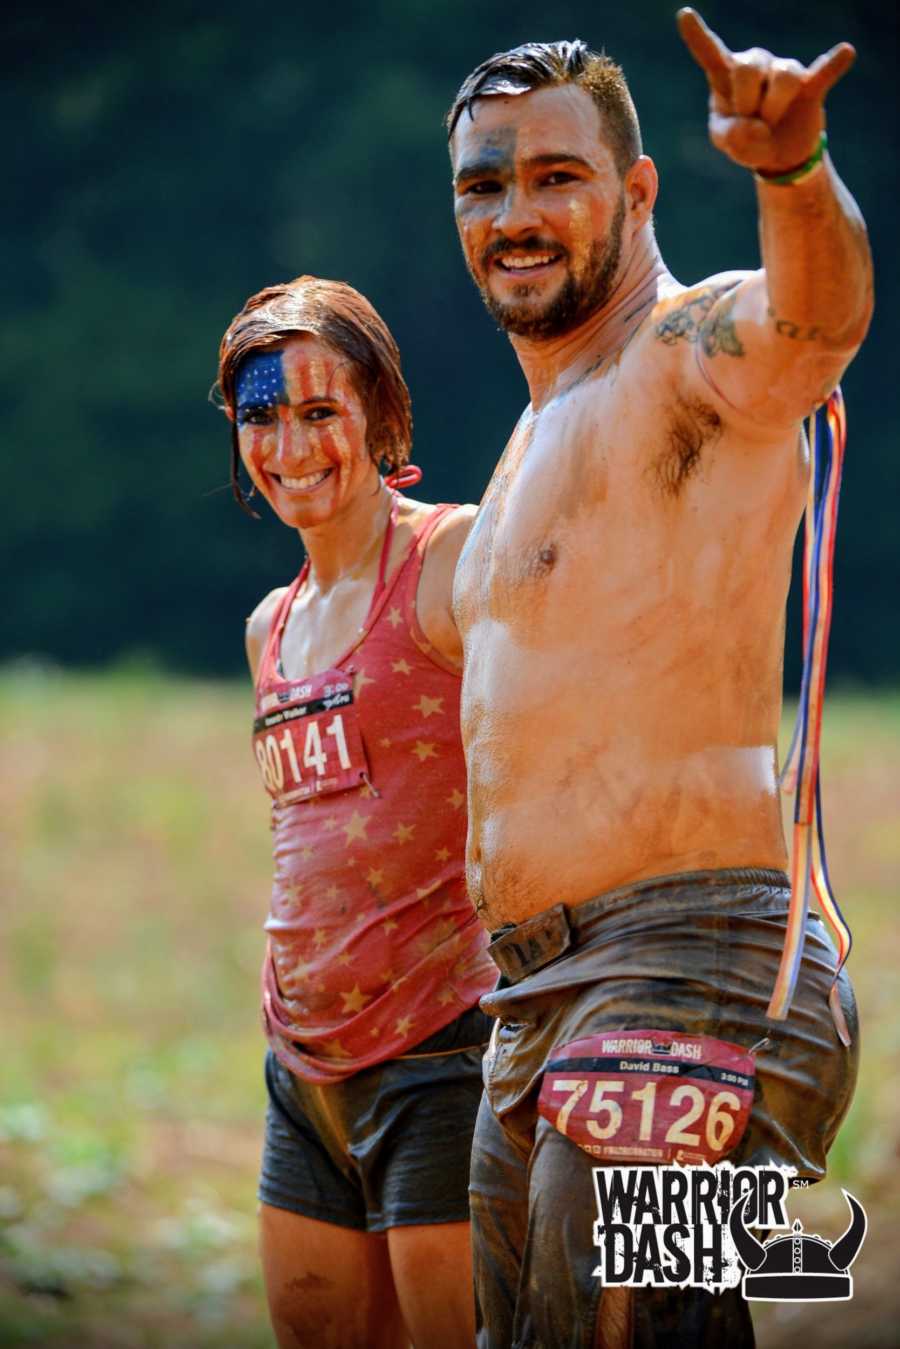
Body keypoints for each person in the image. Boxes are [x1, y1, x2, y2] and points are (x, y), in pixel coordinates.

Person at [446, 9, 872, 1346]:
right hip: (532, 1008)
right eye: (485, 183)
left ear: (635, 189)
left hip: (701, 963)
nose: (516, 212)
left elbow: (814, 319)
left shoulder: (690, 355)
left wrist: (792, 172)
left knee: (620, 1323)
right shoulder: (530, 437)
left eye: (555, 176)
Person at [216, 275, 496, 1349]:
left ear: (380, 412)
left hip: (444, 1047)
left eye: (320, 411)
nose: (289, 444)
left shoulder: (454, 560)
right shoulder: (267, 626)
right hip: (303, 1065)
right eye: (262, 416)